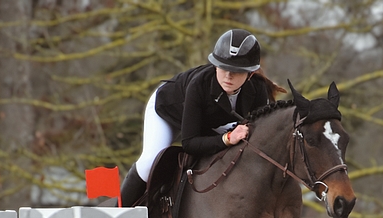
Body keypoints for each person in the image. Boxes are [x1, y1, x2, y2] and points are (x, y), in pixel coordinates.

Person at [119, 28, 282, 207]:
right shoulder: (199, 85)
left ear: (250, 74)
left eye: (236, 70)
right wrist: (228, 139)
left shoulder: (257, 90)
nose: (228, 75)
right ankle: (117, 216)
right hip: (167, 111)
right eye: (223, 67)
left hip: (210, 121)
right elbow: (190, 143)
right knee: (149, 163)